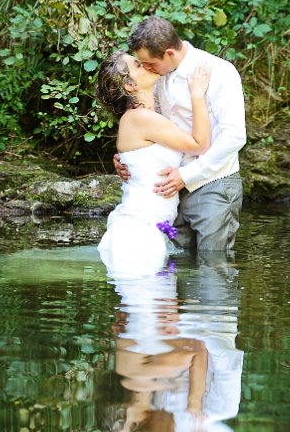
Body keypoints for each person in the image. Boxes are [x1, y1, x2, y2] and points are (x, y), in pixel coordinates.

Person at [115, 16, 247, 252]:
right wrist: (129, 159)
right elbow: (151, 129)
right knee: (178, 273)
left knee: (211, 270)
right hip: (169, 192)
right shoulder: (156, 77)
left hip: (212, 184)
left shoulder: (220, 71)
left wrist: (187, 175)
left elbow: (235, 136)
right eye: (141, 64)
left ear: (169, 54)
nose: (145, 68)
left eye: (149, 63)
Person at [95, 50, 211, 276]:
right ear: (130, 86)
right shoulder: (140, 118)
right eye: (138, 65)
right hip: (139, 234)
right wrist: (198, 94)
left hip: (142, 231)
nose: (147, 64)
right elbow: (200, 144)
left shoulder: (142, 117)